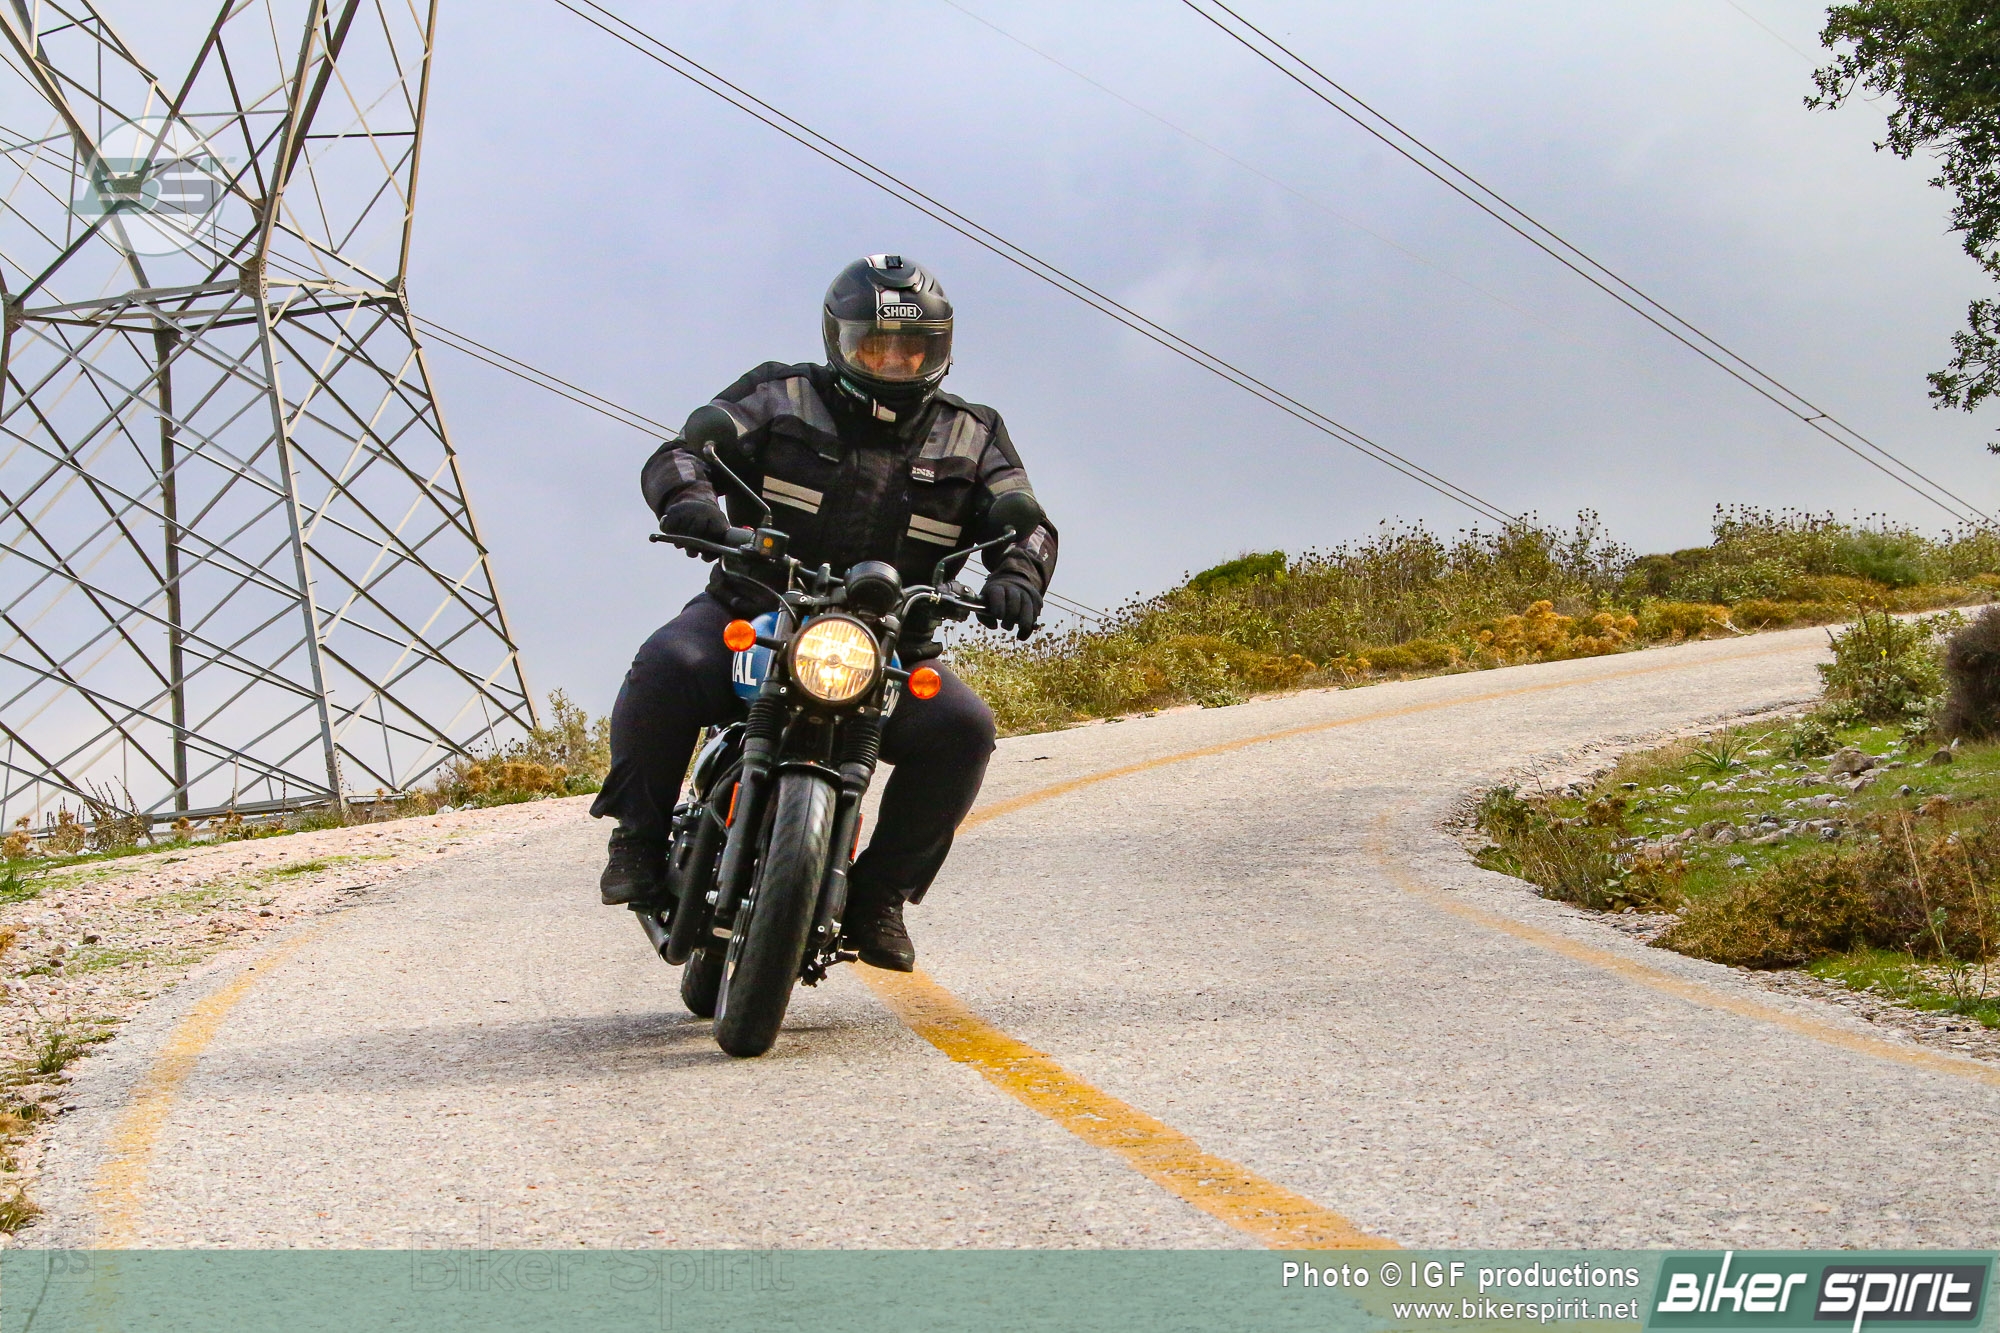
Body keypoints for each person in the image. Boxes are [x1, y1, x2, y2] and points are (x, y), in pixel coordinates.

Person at [590, 255, 1057, 971]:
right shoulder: (780, 395)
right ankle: (637, 839)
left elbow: (1028, 522)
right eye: (875, 345)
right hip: (754, 610)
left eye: (912, 347)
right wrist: (690, 500)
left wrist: (1019, 573)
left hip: (893, 642)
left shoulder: (973, 434)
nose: (894, 360)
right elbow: (684, 453)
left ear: (939, 348)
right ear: (839, 340)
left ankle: (879, 897)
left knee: (965, 728)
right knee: (668, 663)